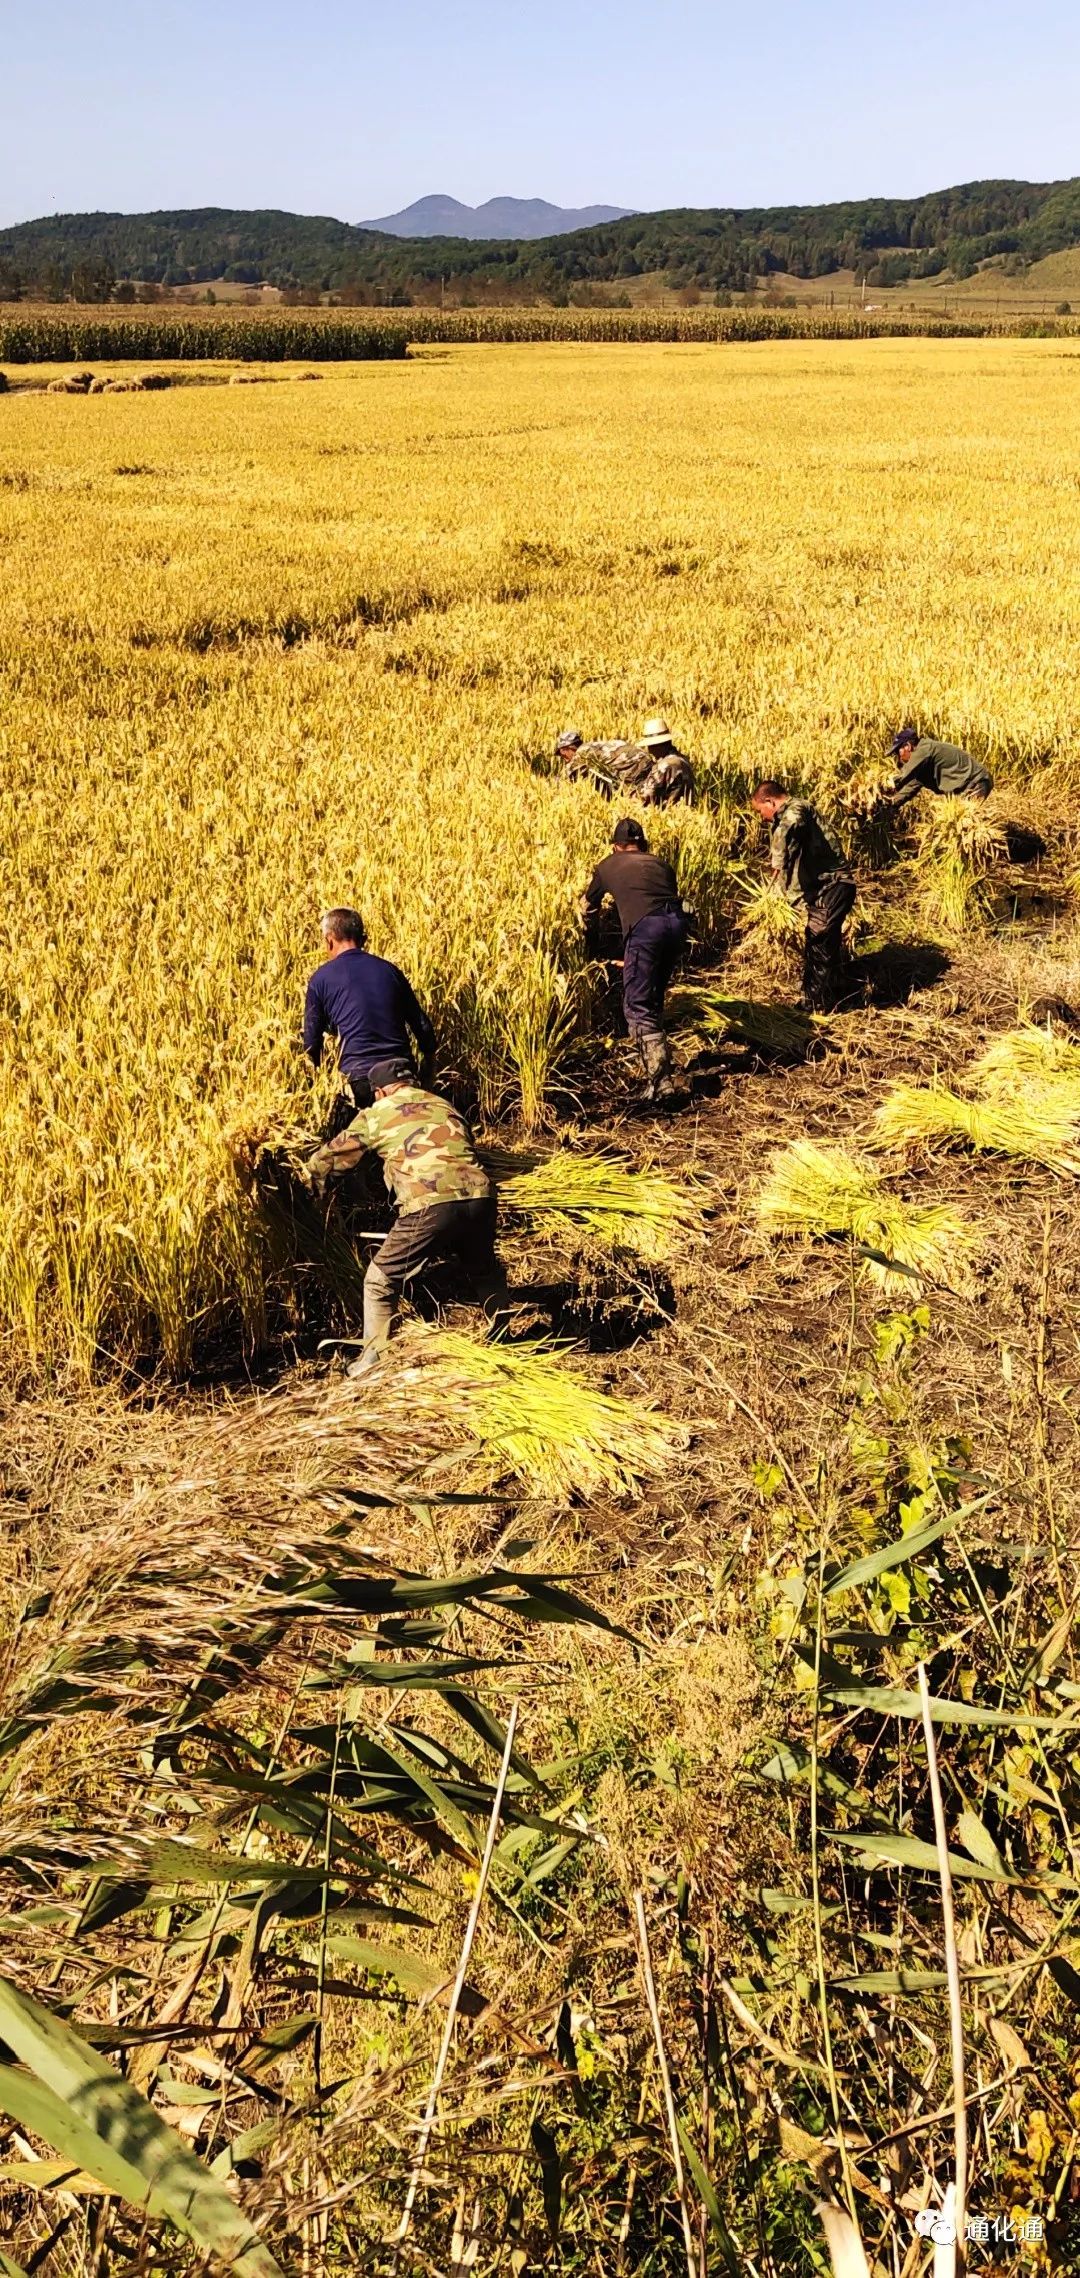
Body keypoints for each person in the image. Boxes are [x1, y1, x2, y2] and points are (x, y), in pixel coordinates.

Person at [304, 1059, 508, 1376]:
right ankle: (503, 1336)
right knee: (483, 1268)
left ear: (380, 1090)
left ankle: (372, 1362)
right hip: (481, 1196)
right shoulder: (443, 1104)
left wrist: (306, 1186)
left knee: (380, 1279)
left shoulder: (376, 1113)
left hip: (429, 1203)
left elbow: (330, 1158)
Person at [581, 816, 689, 1099]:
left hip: (647, 928)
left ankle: (660, 1083)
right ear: (642, 844)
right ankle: (659, 1068)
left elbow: (587, 908)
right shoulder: (660, 864)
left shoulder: (607, 865)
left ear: (616, 846)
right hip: (677, 926)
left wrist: (591, 947)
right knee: (653, 996)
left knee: (637, 1003)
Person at [303, 909, 437, 1119]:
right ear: (363, 939)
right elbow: (423, 1026)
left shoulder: (320, 979)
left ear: (329, 941)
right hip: (401, 1078)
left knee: (358, 1145)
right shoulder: (390, 971)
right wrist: (428, 1072)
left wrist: (317, 1091)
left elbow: (311, 1046)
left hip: (357, 1083)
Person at [751, 781, 856, 1011]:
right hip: (823, 890)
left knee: (818, 939)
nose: (762, 817)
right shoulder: (787, 817)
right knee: (818, 940)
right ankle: (832, 989)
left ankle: (813, 1004)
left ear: (770, 801)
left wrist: (777, 859)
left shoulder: (797, 809)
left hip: (834, 887)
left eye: (761, 811)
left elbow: (791, 824)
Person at [555, 720, 693, 808]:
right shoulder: (682, 760)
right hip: (684, 811)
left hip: (668, 816)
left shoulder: (665, 766)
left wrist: (618, 803)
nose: (648, 749)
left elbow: (643, 798)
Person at [883, 725, 993, 807]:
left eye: (898, 752)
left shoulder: (924, 749)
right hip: (968, 786)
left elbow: (905, 773)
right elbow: (911, 787)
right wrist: (890, 804)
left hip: (977, 783)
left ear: (908, 746)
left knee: (966, 824)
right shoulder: (923, 764)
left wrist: (884, 786)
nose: (899, 758)